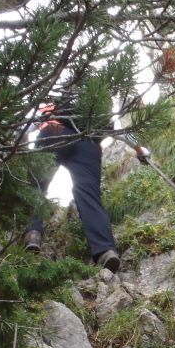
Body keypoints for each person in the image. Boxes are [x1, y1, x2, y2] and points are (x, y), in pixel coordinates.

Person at [23, 101, 121, 273]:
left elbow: (29, 125)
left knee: (37, 183)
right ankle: (106, 250)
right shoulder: (97, 110)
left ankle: (33, 233)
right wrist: (140, 150)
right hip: (89, 145)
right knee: (90, 197)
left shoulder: (59, 102)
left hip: (55, 131)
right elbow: (123, 133)